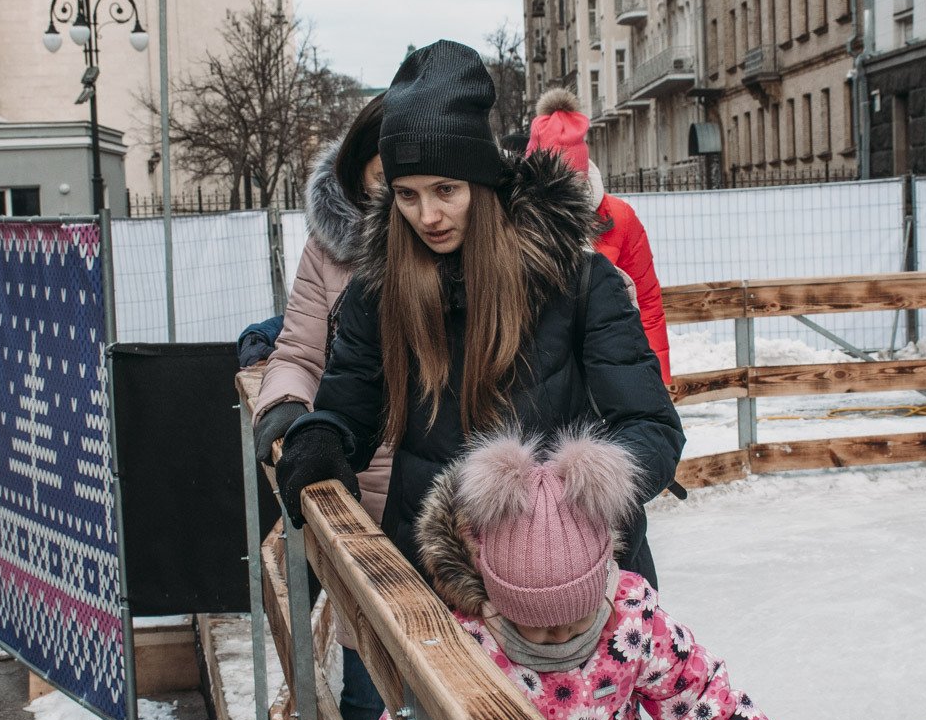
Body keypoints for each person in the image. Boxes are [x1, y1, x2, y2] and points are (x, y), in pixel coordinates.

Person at [275, 40, 684, 589]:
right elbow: (350, 407)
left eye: (446, 190)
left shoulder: (579, 282)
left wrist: (568, 499)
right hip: (440, 583)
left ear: (483, 183)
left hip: (573, 578)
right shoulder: (380, 291)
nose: (428, 215)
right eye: (407, 195)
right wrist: (322, 438)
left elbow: (652, 427)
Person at [362, 431, 794, 720]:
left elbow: (705, 701)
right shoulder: (469, 645)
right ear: (500, 601)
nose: (562, 634)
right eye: (539, 624)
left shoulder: (631, 623)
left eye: (579, 617)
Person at [251, 96, 394, 720]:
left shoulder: (455, 241)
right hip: (363, 499)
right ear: (358, 166)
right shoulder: (331, 249)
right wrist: (290, 413)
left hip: (453, 501)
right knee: (370, 695)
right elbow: (300, 352)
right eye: (383, 171)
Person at [525, 88, 673, 384]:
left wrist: (655, 383)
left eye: (568, 185)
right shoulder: (512, 221)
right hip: (537, 379)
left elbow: (647, 306)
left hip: (607, 373)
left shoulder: (619, 218)